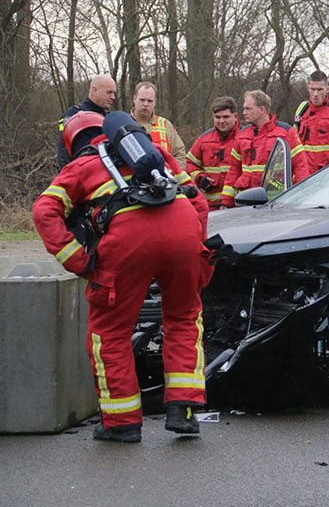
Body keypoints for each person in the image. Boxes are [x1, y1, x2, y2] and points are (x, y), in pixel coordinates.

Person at [33, 111, 210, 443]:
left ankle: (121, 422)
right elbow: (197, 202)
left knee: (110, 332)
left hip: (128, 239)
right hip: (183, 226)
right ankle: (184, 410)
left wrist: (80, 261)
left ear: (72, 142)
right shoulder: (156, 154)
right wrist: (193, 247)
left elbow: (44, 211)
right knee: (184, 317)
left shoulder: (80, 167)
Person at [221, 89, 309, 208]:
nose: (244, 112)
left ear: (262, 110)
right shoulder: (242, 135)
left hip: (275, 201)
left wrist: (298, 198)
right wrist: (226, 202)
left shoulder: (286, 133)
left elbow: (300, 167)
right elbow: (233, 171)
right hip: (245, 201)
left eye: (248, 109)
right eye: (244, 108)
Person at [186, 96, 240, 210]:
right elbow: (188, 163)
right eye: (217, 117)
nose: (221, 121)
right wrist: (200, 178)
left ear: (235, 117)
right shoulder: (204, 139)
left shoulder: (245, 138)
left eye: (226, 117)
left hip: (239, 205)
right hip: (211, 206)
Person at [57, 74, 117, 169]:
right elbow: (64, 153)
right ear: (94, 90)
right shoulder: (74, 115)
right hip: (79, 171)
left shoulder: (109, 116)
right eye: (109, 92)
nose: (113, 97)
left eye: (114, 93)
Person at [130, 81, 187, 167]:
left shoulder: (165, 125)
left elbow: (180, 154)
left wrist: (171, 173)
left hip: (165, 178)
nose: (145, 104)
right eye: (142, 100)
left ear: (155, 101)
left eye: (149, 101)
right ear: (134, 99)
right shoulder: (124, 124)